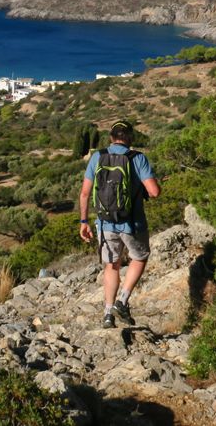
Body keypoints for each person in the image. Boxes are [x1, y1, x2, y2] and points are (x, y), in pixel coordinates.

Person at [78, 120, 160, 328]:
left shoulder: (98, 156)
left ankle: (107, 314)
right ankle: (122, 301)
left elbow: (85, 193)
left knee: (111, 265)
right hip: (133, 223)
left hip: (105, 223)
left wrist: (84, 221)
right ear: (130, 137)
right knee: (140, 257)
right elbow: (154, 192)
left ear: (111, 137)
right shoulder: (137, 158)